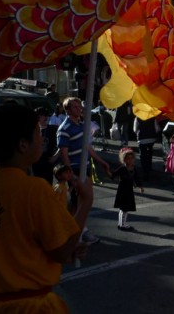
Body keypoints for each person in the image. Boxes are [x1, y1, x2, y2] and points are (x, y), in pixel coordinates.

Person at [0, 104, 93, 312]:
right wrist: (85, 203)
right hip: (25, 306)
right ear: (23, 145)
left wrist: (60, 254)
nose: (42, 139)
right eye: (38, 133)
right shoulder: (34, 189)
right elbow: (60, 251)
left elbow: (13, 245)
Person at [57, 96, 111, 244]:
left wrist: (102, 162)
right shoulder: (65, 128)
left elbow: (87, 147)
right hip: (74, 168)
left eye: (79, 106)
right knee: (80, 201)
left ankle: (76, 229)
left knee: (83, 200)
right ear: (67, 110)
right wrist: (70, 175)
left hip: (84, 166)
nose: (79, 109)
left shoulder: (82, 125)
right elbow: (63, 153)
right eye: (74, 107)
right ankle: (81, 232)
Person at [112, 147, 144, 231]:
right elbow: (113, 174)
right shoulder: (122, 168)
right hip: (122, 190)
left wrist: (140, 186)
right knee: (124, 208)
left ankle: (121, 223)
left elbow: (136, 178)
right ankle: (122, 224)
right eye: (127, 159)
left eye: (131, 158)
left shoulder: (133, 168)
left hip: (129, 190)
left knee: (125, 208)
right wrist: (107, 170)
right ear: (124, 160)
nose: (130, 160)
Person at [134, 115, 160, 181]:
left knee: (143, 156)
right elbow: (157, 129)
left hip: (142, 139)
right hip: (151, 138)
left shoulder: (138, 117)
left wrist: (138, 132)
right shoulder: (152, 117)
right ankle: (149, 167)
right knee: (149, 153)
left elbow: (135, 129)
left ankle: (145, 171)